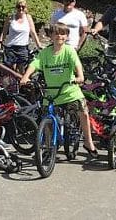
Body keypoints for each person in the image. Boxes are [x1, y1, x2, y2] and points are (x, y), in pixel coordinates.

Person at [19, 23, 98, 157]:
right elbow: (34, 64)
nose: (59, 36)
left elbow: (77, 64)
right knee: (46, 120)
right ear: (51, 36)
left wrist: (80, 76)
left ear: (66, 37)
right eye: (56, 33)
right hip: (51, 93)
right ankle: (49, 148)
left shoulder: (69, 51)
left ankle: (88, 142)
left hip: (69, 91)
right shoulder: (45, 53)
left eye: (62, 34)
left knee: (83, 112)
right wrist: (25, 77)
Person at [0, 0, 42, 73]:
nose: (21, 8)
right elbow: (4, 32)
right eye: (19, 6)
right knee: (11, 70)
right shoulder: (10, 18)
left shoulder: (28, 18)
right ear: (16, 7)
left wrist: (39, 46)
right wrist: (0, 43)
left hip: (23, 47)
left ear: (26, 8)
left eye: (23, 6)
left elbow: (33, 32)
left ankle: (21, 84)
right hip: (10, 47)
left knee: (22, 69)